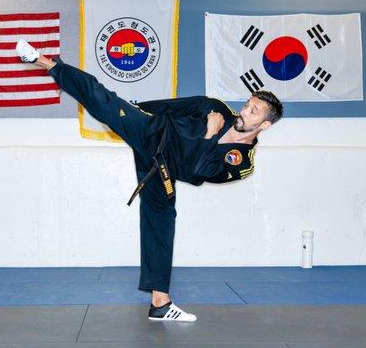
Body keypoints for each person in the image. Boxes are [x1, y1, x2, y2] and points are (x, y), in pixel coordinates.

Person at [16, 40, 283, 322]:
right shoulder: (215, 108)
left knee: (161, 222)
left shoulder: (241, 162)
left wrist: (208, 134)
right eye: (247, 105)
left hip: (161, 167)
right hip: (154, 131)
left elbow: (200, 172)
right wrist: (132, 110)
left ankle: (160, 304)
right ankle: (46, 62)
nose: (243, 112)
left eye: (253, 112)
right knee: (104, 98)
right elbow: (172, 108)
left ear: (264, 125)